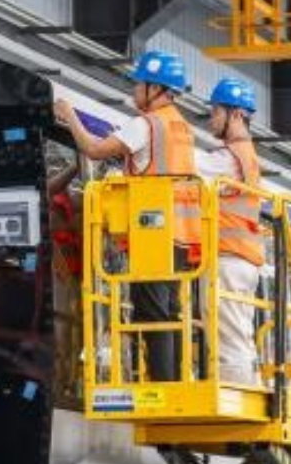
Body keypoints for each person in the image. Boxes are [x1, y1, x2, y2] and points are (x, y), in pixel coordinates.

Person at [53, 51, 201, 382]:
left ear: (156, 88)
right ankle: (175, 382)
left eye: (138, 85)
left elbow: (93, 149)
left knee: (153, 311)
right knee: (172, 312)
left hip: (153, 233)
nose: (134, 92)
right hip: (181, 236)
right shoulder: (182, 128)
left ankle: (164, 387)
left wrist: (69, 115)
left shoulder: (146, 125)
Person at [199, 77, 268, 387]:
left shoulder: (229, 159)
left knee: (227, 337)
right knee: (237, 333)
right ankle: (244, 385)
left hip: (228, 258)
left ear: (236, 115)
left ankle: (234, 393)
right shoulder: (247, 156)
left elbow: (185, 165)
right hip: (241, 259)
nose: (211, 119)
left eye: (216, 111)